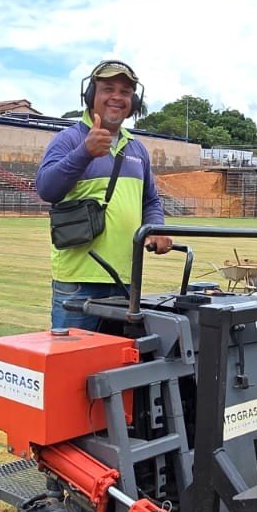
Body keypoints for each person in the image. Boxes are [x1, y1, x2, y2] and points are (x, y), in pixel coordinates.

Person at [35, 59, 171, 331]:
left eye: (125, 92)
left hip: (124, 279)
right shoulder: (70, 139)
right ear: (91, 96)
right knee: (73, 356)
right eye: (108, 89)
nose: (117, 97)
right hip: (78, 280)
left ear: (133, 102)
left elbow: (150, 201)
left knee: (119, 357)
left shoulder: (137, 149)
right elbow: (46, 189)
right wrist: (84, 153)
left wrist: (156, 228)